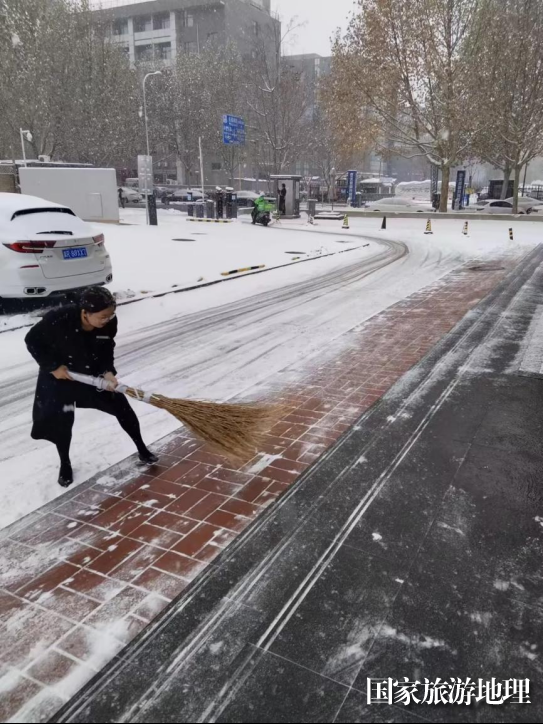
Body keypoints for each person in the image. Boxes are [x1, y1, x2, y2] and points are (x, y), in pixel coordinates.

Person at [25, 287, 158, 488]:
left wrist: (108, 371)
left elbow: (106, 346)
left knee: (122, 408)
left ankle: (142, 449)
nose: (108, 319)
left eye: (111, 314)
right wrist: (52, 367)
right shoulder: (59, 319)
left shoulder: (108, 323)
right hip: (59, 375)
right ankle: (65, 463)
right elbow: (32, 340)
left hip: (90, 372)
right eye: (103, 316)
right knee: (61, 421)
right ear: (85, 313)